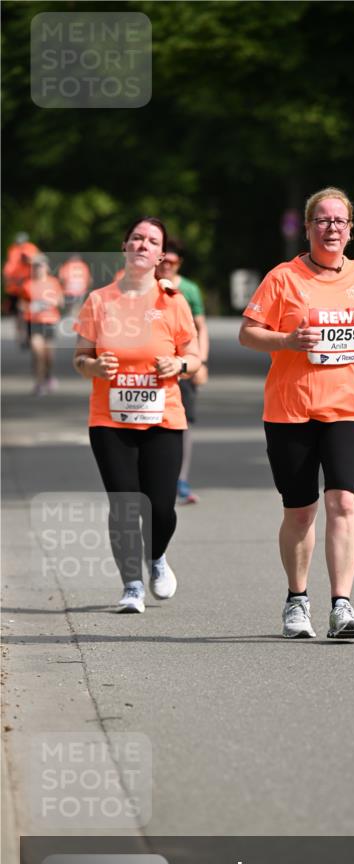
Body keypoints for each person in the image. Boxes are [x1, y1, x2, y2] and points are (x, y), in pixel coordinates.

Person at [239, 186, 354, 639]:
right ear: (308, 229)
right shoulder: (283, 278)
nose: (331, 228)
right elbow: (248, 333)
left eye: (339, 221)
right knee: (301, 511)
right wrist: (285, 341)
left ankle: (342, 605)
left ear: (350, 231)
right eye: (322, 220)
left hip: (350, 404)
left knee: (343, 502)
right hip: (292, 409)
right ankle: (296, 600)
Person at [73, 217, 201, 613]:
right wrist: (94, 368)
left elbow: (194, 357)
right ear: (125, 247)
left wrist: (178, 366)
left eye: (152, 241)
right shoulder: (99, 300)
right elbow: (81, 356)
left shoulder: (172, 301)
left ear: (162, 254)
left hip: (163, 417)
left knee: (160, 505)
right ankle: (131, 584)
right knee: (125, 503)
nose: (143, 245)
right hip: (111, 419)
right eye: (136, 239)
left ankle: (156, 558)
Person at [156, 239, 210, 504]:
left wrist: (202, 361)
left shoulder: (188, 289)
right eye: (163, 260)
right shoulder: (147, 286)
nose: (167, 265)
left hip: (183, 366)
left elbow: (201, 328)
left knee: (184, 423)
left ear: (179, 263)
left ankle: (181, 480)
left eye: (172, 262)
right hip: (153, 368)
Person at [19, 254, 63, 394]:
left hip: (49, 322)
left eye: (40, 265)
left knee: (48, 356)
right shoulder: (27, 284)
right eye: (35, 266)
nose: (38, 268)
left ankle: (48, 375)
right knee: (38, 352)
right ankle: (39, 384)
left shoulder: (53, 282)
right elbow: (21, 305)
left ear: (46, 267)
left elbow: (60, 301)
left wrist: (52, 302)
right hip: (34, 323)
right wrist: (30, 307)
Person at [3, 232, 40, 346]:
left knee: (28, 310)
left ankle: (29, 335)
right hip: (14, 287)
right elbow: (9, 267)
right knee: (17, 312)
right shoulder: (12, 249)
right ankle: (20, 334)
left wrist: (27, 259)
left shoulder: (30, 248)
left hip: (27, 285)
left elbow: (36, 262)